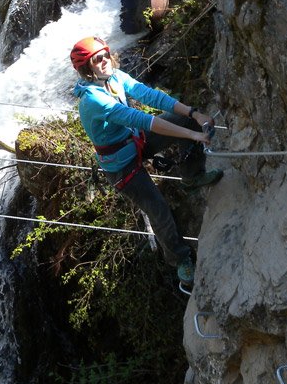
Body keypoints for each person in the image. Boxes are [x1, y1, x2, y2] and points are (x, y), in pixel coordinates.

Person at [71, 35, 222, 284]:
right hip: (121, 165)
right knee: (157, 208)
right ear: (87, 69)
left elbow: (149, 96)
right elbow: (142, 120)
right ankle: (180, 260)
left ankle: (192, 176)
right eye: (97, 59)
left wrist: (194, 114)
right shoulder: (93, 100)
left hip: (134, 142)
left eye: (106, 55)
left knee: (184, 119)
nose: (105, 61)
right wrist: (193, 135)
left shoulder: (114, 78)